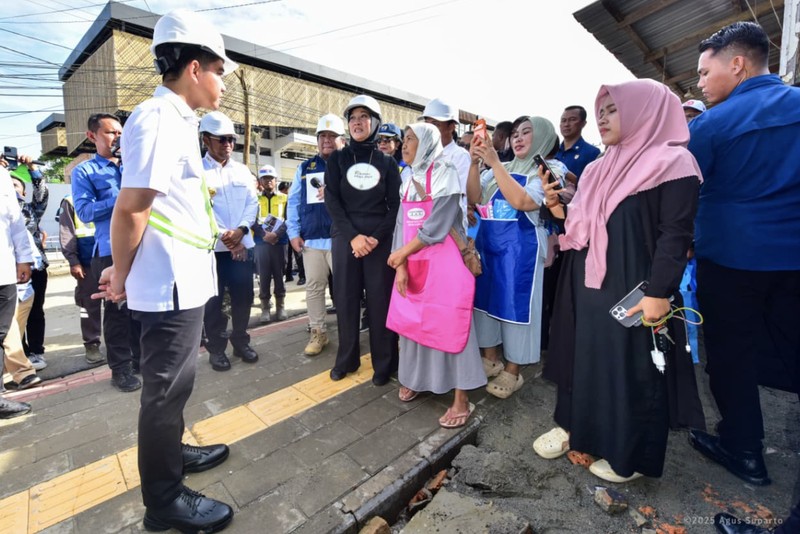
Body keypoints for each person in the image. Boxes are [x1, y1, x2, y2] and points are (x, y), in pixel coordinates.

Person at [94, 9, 236, 532]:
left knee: (176, 387)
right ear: (195, 68)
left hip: (186, 277)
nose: (222, 82)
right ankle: (164, 499)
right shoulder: (156, 119)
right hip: (168, 283)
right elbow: (132, 208)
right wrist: (122, 274)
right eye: (219, 71)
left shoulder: (179, 119)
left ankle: (172, 455)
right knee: (164, 392)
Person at [534, 79, 705, 484]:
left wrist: (659, 293)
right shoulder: (598, 167)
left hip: (636, 287)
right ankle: (576, 428)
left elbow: (674, 236)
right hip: (587, 281)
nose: (603, 118)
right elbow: (584, 223)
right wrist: (560, 206)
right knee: (584, 359)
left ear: (645, 110)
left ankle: (628, 453)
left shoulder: (673, 163)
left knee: (631, 369)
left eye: (614, 109)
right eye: (602, 110)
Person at [687, 21, 800, 487]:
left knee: (732, 356)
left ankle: (744, 450)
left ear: (737, 64)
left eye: (703, 71)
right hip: (792, 262)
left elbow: (684, 193)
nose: (699, 82)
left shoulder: (713, 124)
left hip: (731, 262)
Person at [387, 122, 486, 427]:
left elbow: (439, 226)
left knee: (452, 325)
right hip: (414, 262)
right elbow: (402, 226)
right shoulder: (407, 179)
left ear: (429, 142)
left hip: (445, 262)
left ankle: (461, 399)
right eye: (403, 140)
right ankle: (416, 379)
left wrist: (402, 255)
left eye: (411, 139)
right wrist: (401, 265)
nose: (404, 145)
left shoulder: (446, 173)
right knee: (414, 325)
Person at [466, 116, 561, 399]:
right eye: (515, 134)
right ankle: (490, 357)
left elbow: (524, 202)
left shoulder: (548, 169)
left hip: (521, 252)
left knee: (517, 309)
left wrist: (494, 164)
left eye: (527, 133)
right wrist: (474, 163)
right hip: (490, 247)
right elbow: (474, 197)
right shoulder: (500, 168)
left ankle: (513, 370)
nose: (518, 138)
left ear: (543, 137)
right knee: (486, 304)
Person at [324, 95, 401, 385]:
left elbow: (395, 206)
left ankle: (385, 364)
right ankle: (347, 359)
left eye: (363, 117)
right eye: (353, 118)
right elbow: (332, 199)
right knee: (345, 300)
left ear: (375, 122)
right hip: (345, 237)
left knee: (381, 302)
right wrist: (354, 237)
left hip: (379, 240)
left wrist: (374, 238)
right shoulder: (338, 159)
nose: (357, 122)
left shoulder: (387, 162)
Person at [72, 113, 141, 392]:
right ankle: (120, 368)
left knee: (140, 307)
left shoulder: (134, 166)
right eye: (111, 133)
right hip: (110, 250)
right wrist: (125, 196)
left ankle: (140, 359)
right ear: (93, 136)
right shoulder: (84, 172)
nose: (118, 138)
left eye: (121, 133)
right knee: (116, 312)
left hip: (141, 246)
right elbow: (85, 212)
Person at [199, 111, 259, 371]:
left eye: (231, 140)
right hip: (213, 250)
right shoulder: (196, 171)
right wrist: (228, 237)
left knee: (243, 298)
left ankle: (241, 340)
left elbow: (252, 203)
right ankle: (216, 349)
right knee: (213, 304)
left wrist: (242, 231)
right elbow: (201, 209)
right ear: (205, 140)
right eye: (221, 139)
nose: (228, 145)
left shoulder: (242, 171)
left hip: (243, 245)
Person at [287, 113, 344, 355]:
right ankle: (318, 332)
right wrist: (293, 232)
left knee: (345, 288)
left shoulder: (349, 166)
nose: (326, 140)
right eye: (322, 136)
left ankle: (348, 333)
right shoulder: (305, 167)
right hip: (312, 240)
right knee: (313, 288)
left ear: (342, 140)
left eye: (332, 136)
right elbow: (293, 201)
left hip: (341, 239)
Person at [0, 164, 34, 418]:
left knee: (1, 334)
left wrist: (24, 258)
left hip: (4, 270)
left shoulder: (2, 177)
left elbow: (15, 222)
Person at [9, 161, 48, 371]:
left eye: (15, 184)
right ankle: (17, 355)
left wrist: (33, 169)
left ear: (23, 191)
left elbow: (41, 195)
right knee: (11, 317)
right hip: (9, 270)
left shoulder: (30, 210)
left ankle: (36, 352)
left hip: (35, 269)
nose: (11, 187)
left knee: (35, 312)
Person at [58, 194, 103, 364]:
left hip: (111, 257)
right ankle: (92, 345)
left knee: (118, 306)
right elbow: (66, 232)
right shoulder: (70, 200)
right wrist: (73, 261)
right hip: (87, 263)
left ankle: (123, 342)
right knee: (89, 306)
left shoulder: (111, 191)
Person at [3, 228, 42, 390]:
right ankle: (22, 372)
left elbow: (34, 256)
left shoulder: (10, 220)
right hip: (9, 288)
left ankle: (12, 374)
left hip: (20, 290)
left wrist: (24, 264)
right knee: (8, 333)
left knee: (12, 334)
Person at [253, 164, 288, 324]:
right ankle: (265, 308)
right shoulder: (255, 200)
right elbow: (252, 220)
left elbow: (288, 219)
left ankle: (281, 306)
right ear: (260, 181)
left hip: (279, 243)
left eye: (271, 178)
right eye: (265, 178)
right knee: (264, 276)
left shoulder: (284, 198)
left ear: (276, 180)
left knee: (279, 275)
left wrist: (276, 234)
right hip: (261, 243)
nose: (268, 181)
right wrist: (264, 235)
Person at [554, 105, 601, 181]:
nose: (566, 124)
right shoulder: (552, 152)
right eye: (563, 120)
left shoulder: (592, 153)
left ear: (583, 123)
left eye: (572, 120)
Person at [280, 180, 305, 285]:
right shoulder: (287, 200)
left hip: (297, 231)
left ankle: (302, 276)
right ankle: (288, 275)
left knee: (298, 254)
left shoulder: (299, 199)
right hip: (287, 230)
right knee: (287, 255)